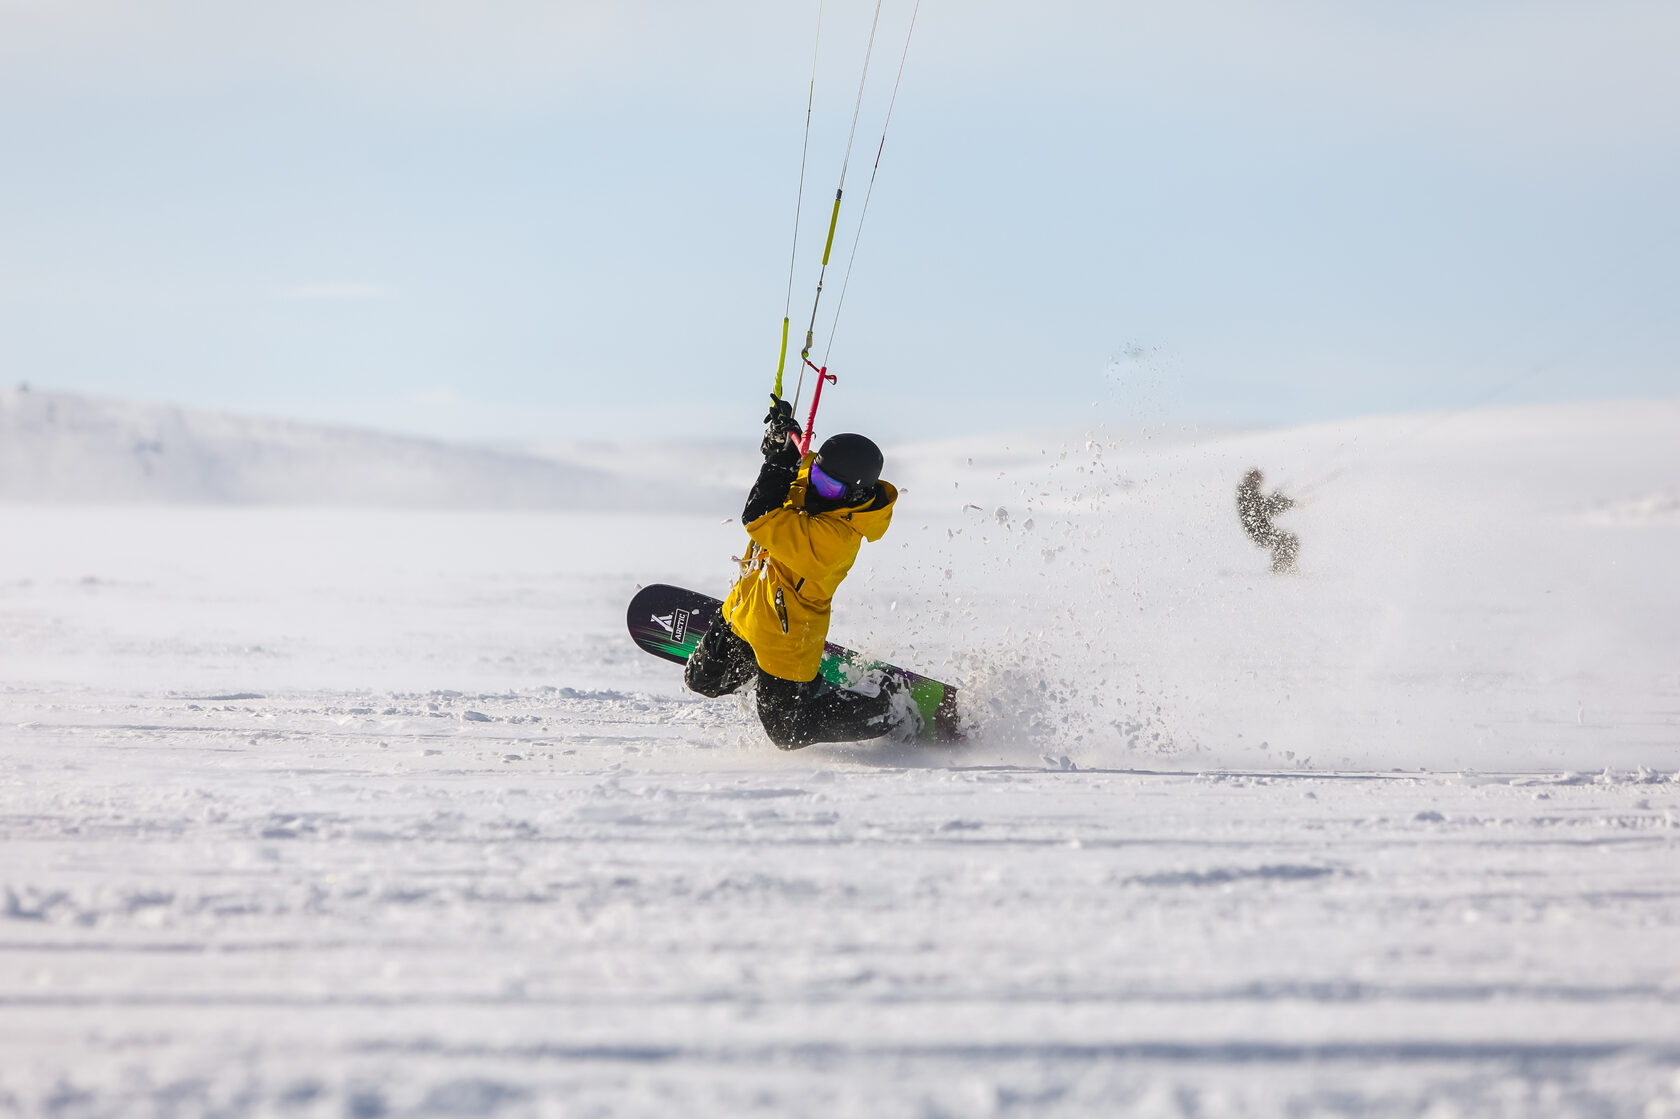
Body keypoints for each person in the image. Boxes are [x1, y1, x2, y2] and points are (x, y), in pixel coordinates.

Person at [684, 394, 919, 748]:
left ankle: (889, 702)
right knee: (701, 680)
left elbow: (759, 515)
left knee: (788, 735)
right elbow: (794, 471)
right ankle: (793, 686)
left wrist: (778, 466)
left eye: (829, 487)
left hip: (786, 641)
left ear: (855, 495)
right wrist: (782, 441)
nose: (814, 487)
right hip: (744, 613)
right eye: (817, 476)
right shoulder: (818, 486)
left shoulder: (835, 539)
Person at [1236, 468, 1299, 574]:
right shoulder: (1247, 493)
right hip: (1259, 532)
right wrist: (1282, 502)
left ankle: (1282, 567)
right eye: (1257, 480)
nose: (1259, 483)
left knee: (1286, 540)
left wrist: (1278, 500)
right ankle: (1280, 569)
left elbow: (1264, 506)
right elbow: (1265, 508)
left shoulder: (1248, 493)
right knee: (1287, 541)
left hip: (1261, 530)